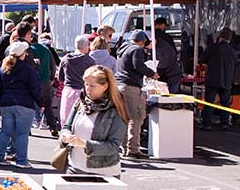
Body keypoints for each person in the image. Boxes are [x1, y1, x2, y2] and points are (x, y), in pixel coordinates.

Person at [59, 65, 127, 176]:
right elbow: (67, 126)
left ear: (105, 86)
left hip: (104, 172)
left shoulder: (115, 110)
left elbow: (113, 146)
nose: (87, 89)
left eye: (93, 86)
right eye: (86, 84)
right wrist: (65, 135)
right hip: (74, 167)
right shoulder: (81, 102)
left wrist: (85, 144)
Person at [0, 41, 42, 168]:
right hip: (24, 104)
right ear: (23, 55)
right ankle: (21, 160)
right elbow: (35, 89)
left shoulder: (3, 69)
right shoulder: (28, 70)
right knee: (22, 134)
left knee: (5, 132)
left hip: (6, 104)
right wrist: (41, 103)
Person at [115, 30, 156, 159]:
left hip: (119, 85)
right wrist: (151, 73)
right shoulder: (137, 50)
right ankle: (133, 149)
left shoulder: (123, 49)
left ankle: (124, 147)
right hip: (130, 86)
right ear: (142, 41)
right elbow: (138, 66)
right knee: (136, 116)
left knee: (124, 117)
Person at [57, 34, 97, 127]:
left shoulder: (65, 59)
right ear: (87, 45)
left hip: (68, 91)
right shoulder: (90, 61)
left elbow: (60, 78)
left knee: (65, 119)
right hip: (84, 92)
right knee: (81, 121)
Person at [201, 28, 237, 130]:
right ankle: (224, 124)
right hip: (226, 80)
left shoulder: (213, 48)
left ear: (220, 37)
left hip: (212, 79)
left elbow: (203, 59)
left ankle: (207, 124)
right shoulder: (232, 51)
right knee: (225, 104)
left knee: (209, 102)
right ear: (229, 40)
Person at [153, 17, 183, 94]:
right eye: (165, 26)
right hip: (170, 73)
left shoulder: (153, 36)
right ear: (162, 25)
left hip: (162, 73)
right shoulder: (166, 38)